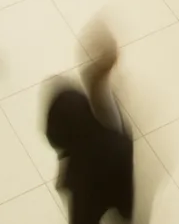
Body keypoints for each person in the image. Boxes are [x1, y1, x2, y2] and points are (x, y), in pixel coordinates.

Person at [45, 21, 134, 224]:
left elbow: (55, 137)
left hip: (88, 192)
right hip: (109, 183)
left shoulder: (68, 110)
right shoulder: (116, 141)